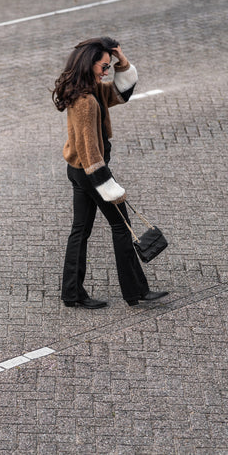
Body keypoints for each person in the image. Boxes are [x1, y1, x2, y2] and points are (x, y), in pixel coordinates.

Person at [52, 37, 168, 308]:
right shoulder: (86, 102)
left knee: (79, 231)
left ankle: (72, 293)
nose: (107, 71)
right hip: (92, 171)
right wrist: (109, 186)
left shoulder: (90, 90)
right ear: (89, 64)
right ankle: (135, 291)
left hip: (79, 171)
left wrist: (121, 60)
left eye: (108, 66)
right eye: (104, 66)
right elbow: (89, 149)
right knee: (120, 226)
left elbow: (121, 93)